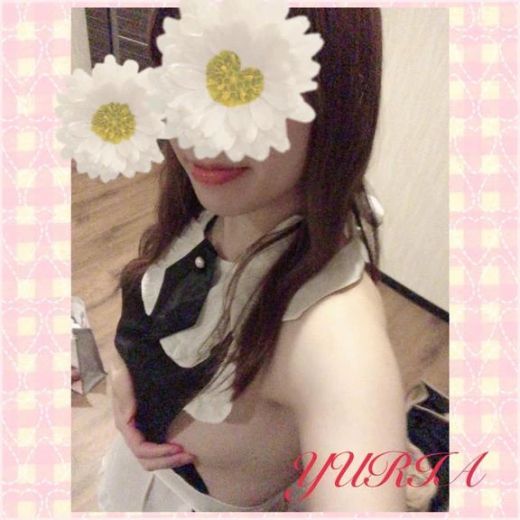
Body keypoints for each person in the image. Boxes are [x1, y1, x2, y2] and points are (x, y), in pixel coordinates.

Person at [96, 6, 438, 512]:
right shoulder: (211, 214)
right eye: (187, 73)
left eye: (247, 83)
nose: (200, 133)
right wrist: (135, 376)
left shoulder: (331, 337)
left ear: (333, 90)